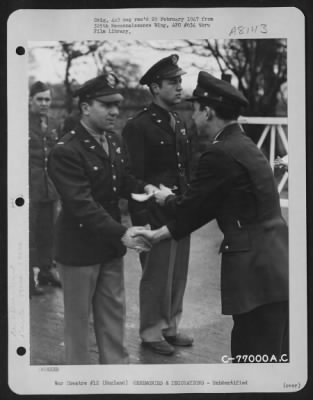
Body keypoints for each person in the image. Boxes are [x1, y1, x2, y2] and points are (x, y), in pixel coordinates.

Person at [136, 71, 289, 362]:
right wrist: (157, 235)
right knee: (275, 358)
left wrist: (163, 196)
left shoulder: (218, 153)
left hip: (255, 277)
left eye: (195, 111)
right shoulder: (244, 144)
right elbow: (204, 210)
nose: (192, 118)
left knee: (251, 361)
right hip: (278, 269)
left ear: (208, 112)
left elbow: (188, 208)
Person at [48, 73, 155, 365]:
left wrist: (145, 188)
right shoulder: (66, 151)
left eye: (116, 105)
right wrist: (122, 232)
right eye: (106, 105)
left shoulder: (114, 141)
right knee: (79, 326)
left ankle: (115, 376)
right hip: (80, 249)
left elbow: (121, 181)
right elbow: (81, 203)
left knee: (113, 316)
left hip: (109, 246)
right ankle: (79, 382)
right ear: (85, 107)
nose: (115, 112)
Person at [122, 54, 193, 355]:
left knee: (177, 272)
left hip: (179, 208)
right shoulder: (139, 126)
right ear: (155, 87)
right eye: (172, 82)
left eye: (180, 81)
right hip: (154, 212)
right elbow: (131, 175)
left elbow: (187, 167)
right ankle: (151, 332)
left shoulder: (179, 120)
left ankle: (170, 326)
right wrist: (141, 221)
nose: (179, 87)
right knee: (156, 276)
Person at [29, 81, 62, 296]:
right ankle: (27, 280)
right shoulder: (19, 122)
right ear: (30, 100)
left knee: (49, 232)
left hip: (50, 187)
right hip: (29, 188)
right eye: (39, 99)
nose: (44, 103)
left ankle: (46, 271)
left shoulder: (53, 124)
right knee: (30, 233)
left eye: (47, 99)